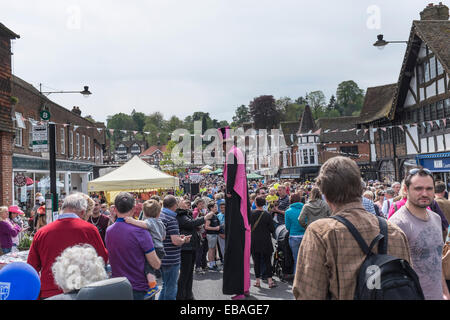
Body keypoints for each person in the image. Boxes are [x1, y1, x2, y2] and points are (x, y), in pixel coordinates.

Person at [292, 156, 412, 300]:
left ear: (325, 195)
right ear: (360, 188)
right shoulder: (395, 232)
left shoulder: (321, 233)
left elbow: (308, 294)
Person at [27, 192, 108, 299]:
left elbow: (31, 267)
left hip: (49, 291)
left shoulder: (42, 232)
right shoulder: (89, 229)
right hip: (81, 290)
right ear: (83, 212)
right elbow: (102, 258)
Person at [389, 168, 450, 300]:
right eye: (418, 188)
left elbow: (436, 259)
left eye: (429, 188)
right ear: (406, 190)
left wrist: (445, 292)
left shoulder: (436, 218)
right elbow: (393, 273)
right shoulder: (397, 224)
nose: (424, 193)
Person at [105, 192, 161, 300]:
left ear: (115, 209)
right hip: (140, 289)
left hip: (119, 286)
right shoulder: (141, 231)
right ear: (134, 208)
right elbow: (155, 263)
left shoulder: (109, 231)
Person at [220, 127, 251, 300]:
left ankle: (239, 289)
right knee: (241, 244)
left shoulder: (232, 153)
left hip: (236, 198)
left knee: (234, 245)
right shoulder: (238, 151)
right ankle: (243, 286)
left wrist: (229, 190)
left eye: (222, 144)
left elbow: (231, 172)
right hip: (241, 199)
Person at [124, 199, 166, 299]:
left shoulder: (149, 221)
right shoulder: (160, 222)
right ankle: (152, 284)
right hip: (160, 247)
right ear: (159, 213)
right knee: (151, 268)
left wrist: (132, 221)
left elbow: (144, 225)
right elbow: (163, 236)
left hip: (154, 247)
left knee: (148, 269)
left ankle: (153, 287)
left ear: (145, 213)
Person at [176, 198, 212, 300]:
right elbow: (190, 223)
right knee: (185, 274)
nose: (187, 203)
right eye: (184, 201)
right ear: (178, 204)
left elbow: (192, 223)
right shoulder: (180, 215)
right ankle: (181, 295)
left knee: (189, 273)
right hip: (185, 248)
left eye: (187, 202)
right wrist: (205, 218)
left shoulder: (185, 213)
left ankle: (188, 294)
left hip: (190, 246)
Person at [159, 195, 188, 300]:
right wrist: (183, 240)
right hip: (171, 258)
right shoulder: (171, 219)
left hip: (161, 257)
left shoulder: (160, 216)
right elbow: (175, 241)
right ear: (174, 205)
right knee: (171, 288)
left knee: (165, 286)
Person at [250, 196, 276, 289]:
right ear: (264, 204)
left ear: (255, 204)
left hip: (254, 240)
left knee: (256, 261)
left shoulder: (251, 213)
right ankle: (270, 281)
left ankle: (257, 281)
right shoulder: (267, 215)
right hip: (266, 240)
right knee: (267, 261)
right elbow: (272, 229)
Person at [284, 193, 305, 274]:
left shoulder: (288, 211)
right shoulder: (305, 209)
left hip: (294, 236)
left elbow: (287, 227)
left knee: (296, 258)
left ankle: (296, 277)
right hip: (304, 235)